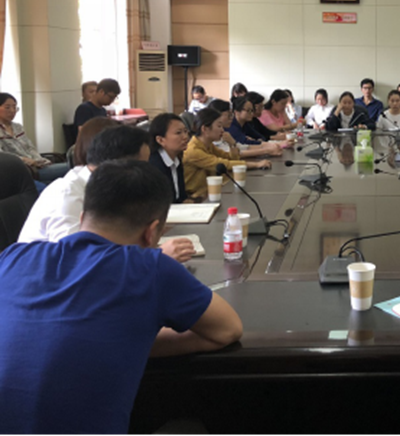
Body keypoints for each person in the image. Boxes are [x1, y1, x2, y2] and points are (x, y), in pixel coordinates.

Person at [0, 160, 243, 434]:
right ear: (151, 233)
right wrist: (132, 338)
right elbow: (227, 330)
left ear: (82, 217)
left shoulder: (13, 255)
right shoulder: (151, 268)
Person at [17, 124, 197, 267]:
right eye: (142, 164)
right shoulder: (68, 194)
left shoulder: (105, 187)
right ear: (122, 164)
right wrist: (155, 256)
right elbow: (77, 261)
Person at [183, 108, 270, 199]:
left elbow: (231, 158)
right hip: (195, 197)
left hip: (208, 192)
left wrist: (232, 144)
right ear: (205, 129)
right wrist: (257, 164)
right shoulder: (193, 150)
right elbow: (225, 164)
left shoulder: (208, 145)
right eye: (219, 126)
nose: (222, 130)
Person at [0, 92, 69, 187]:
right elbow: (2, 156)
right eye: (7, 107)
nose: (12, 111)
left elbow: (30, 147)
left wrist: (37, 161)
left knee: (59, 183)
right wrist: (26, 160)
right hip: (20, 170)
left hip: (37, 166)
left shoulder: (17, 127)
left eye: (15, 107)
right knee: (72, 167)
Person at [149, 113, 193, 204]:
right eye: (178, 133)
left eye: (185, 131)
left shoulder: (176, 160)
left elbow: (181, 197)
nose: (185, 137)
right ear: (160, 140)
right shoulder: (153, 166)